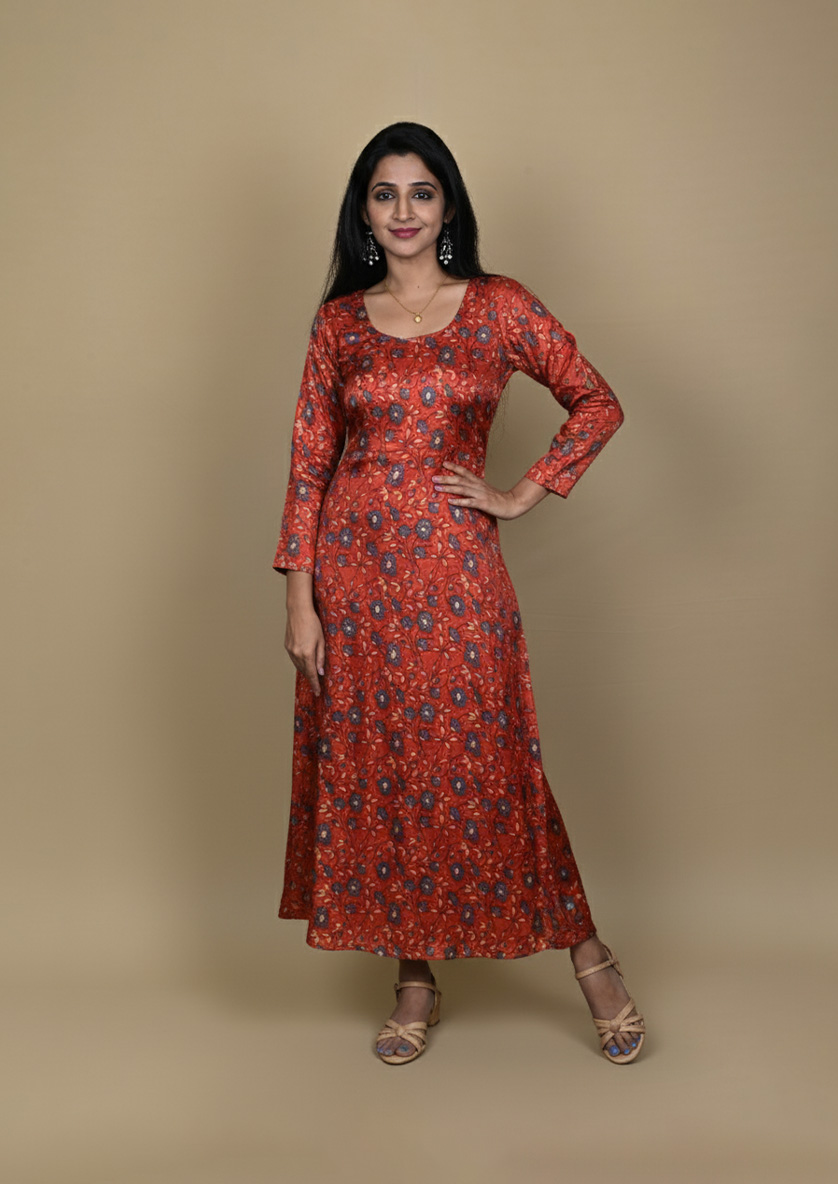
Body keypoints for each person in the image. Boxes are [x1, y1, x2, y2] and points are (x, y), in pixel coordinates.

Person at [273, 122, 645, 1066]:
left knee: (492, 767)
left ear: (448, 206)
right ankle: (414, 980)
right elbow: (309, 464)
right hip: (355, 581)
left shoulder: (497, 306)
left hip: (456, 575)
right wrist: (299, 602)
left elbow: (596, 400)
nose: (403, 211)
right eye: (384, 194)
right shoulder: (339, 324)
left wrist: (523, 491)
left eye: (421, 192)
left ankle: (592, 960)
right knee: (383, 774)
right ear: (363, 211)